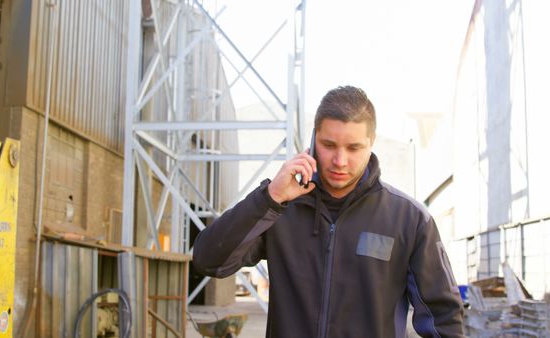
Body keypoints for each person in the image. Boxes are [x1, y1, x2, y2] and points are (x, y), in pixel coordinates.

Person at [193, 86, 465, 338]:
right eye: (329, 145)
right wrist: (271, 197)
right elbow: (209, 260)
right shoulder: (279, 210)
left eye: (354, 148)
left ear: (371, 143)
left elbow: (444, 318)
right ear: (313, 140)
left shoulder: (409, 219)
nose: (340, 161)